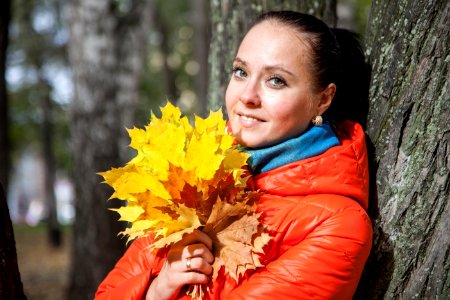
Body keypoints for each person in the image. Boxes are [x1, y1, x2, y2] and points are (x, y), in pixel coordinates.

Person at [95, 11, 372, 299]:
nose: (247, 96)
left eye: (276, 81)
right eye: (241, 72)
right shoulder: (192, 172)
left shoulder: (337, 224)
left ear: (323, 99)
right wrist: (157, 289)